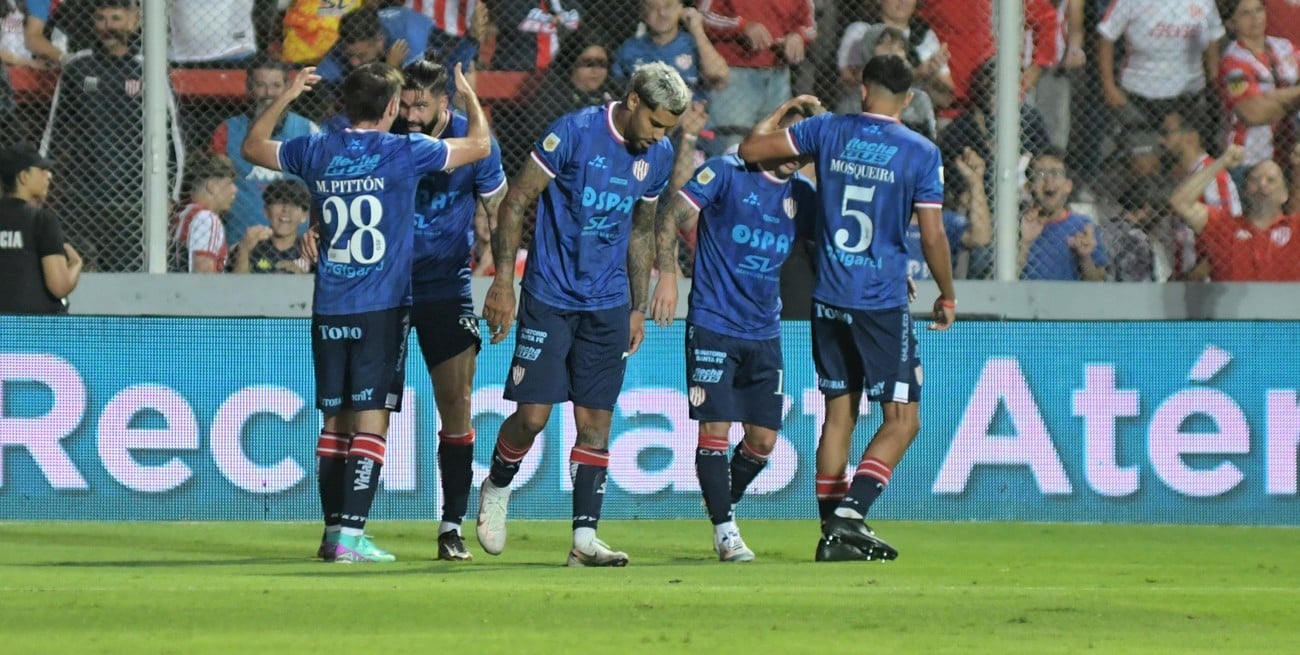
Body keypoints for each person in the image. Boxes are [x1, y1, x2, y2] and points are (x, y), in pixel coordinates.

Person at [240, 60, 492, 563]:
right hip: (381, 306)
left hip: (330, 305)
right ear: (393, 107)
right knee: (372, 420)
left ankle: (334, 531)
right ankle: (350, 537)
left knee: (335, 422)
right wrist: (469, 99)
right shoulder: (403, 150)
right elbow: (480, 146)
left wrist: (288, 95)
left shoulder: (317, 148)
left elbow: (252, 146)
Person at [736, 54, 956, 562]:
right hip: (879, 301)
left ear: (863, 88)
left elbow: (750, 150)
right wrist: (947, 292)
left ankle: (831, 538)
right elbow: (932, 234)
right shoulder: (921, 152)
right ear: (908, 99)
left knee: (840, 415)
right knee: (903, 420)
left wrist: (783, 111)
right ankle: (850, 514)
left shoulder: (827, 130)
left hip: (829, 297)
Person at [474, 61, 690, 567]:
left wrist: (637, 306)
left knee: (596, 421)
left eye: (669, 129)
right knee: (532, 417)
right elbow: (516, 201)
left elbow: (641, 230)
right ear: (633, 101)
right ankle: (496, 486)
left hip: (608, 302)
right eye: (656, 123)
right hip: (550, 294)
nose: (660, 137)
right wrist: (503, 282)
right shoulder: (573, 132)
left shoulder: (657, 155)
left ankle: (584, 539)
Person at [655, 102, 815, 562]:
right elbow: (671, 215)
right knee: (715, 430)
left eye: (804, 146)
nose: (796, 153)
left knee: (763, 441)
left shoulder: (802, 196)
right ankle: (726, 530)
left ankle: (721, 501)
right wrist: (669, 276)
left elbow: (837, 242)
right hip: (714, 322)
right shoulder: (727, 172)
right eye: (789, 139)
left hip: (765, 330)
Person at [395, 59, 507, 561]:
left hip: (446, 286)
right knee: (367, 406)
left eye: (420, 105)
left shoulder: (474, 141)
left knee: (458, 400)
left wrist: (502, 283)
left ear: (444, 102)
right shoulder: (387, 134)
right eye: (404, 104)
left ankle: (451, 525)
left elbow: (499, 211)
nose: (410, 115)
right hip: (386, 286)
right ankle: (346, 527)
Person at [40, 0, 184, 272]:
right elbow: (54, 131)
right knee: (74, 272)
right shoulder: (77, 67)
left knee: (129, 275)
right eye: (101, 19)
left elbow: (172, 137)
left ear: (134, 21)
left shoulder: (150, 69)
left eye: (116, 19)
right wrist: (42, 179)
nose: (108, 27)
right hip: (81, 196)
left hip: (133, 200)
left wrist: (170, 195)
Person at [212, 56, 319, 247]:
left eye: (276, 85)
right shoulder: (227, 130)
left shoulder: (310, 131)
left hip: (297, 248)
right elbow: (214, 189)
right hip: (240, 243)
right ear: (249, 87)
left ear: (288, 88)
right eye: (261, 85)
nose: (268, 93)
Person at [1168, 143, 1300, 280]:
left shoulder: (1296, 228)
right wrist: (1221, 162)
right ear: (1246, 191)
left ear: (1285, 194)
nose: (1262, 184)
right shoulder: (1224, 226)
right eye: (1254, 180)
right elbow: (1180, 202)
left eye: (1271, 180)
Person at [699, 0, 816, 152]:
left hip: (778, 76)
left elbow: (809, 25)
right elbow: (704, 16)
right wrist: (743, 27)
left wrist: (798, 35)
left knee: (773, 152)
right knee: (730, 150)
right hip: (734, 76)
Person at [1097, 0, 1224, 134]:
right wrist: (1108, 86)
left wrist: (1214, 79)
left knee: (1188, 145)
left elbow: (1213, 36)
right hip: (1138, 95)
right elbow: (1106, 36)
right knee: (1145, 147)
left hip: (1189, 93)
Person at [0, 141, 81, 314]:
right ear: (24, 176)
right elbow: (59, 287)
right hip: (34, 326)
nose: (49, 175)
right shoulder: (42, 220)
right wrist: (76, 264)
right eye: (41, 169)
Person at [1219, 0, 1300, 170]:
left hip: (1290, 152)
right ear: (1231, 23)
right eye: (1245, 13)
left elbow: (1264, 108)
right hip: (1248, 157)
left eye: (1258, 10)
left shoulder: (1285, 47)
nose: (1255, 18)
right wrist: (1294, 100)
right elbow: (1253, 114)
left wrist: (1273, 97)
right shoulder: (1232, 61)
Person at [1018, 149, 1109, 281]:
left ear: (1068, 186)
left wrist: (1085, 257)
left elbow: (1098, 281)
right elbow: (1004, 279)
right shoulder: (1018, 225)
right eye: (1040, 174)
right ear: (1029, 187)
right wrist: (1025, 243)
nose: (1048, 180)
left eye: (1056, 173)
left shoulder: (1083, 225)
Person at [611, 0, 729, 94]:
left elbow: (720, 77)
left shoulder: (695, 44)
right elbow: (616, 90)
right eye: (652, 7)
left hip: (690, 113)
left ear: (680, 9)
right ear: (642, 13)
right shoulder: (629, 49)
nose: (662, 13)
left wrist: (697, 30)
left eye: (668, 6)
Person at [168, 155, 239, 274]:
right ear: (212, 187)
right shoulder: (207, 218)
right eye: (229, 183)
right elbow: (203, 270)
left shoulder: (182, 212)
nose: (235, 189)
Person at [231, 178, 313, 274]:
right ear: (266, 211)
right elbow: (234, 283)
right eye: (279, 202)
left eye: (294, 203)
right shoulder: (248, 245)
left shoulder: (311, 251)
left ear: (304, 215)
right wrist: (244, 251)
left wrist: (301, 278)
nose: (286, 209)